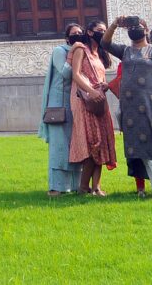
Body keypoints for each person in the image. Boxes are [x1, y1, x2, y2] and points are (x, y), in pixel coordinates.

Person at [101, 17, 152, 198]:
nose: (135, 29)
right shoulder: (126, 51)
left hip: (150, 106)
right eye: (132, 27)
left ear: (145, 30)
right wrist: (115, 24)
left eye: (138, 27)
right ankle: (150, 189)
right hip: (130, 110)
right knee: (138, 150)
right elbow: (105, 43)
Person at [66, 20, 116, 196]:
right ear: (89, 32)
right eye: (99, 30)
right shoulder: (81, 50)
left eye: (105, 30)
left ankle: (96, 187)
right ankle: (83, 187)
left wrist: (103, 86)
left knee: (102, 141)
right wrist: (91, 91)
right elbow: (76, 74)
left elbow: (98, 76)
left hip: (99, 100)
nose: (102, 33)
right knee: (92, 141)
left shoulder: (99, 54)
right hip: (85, 101)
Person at [38, 26, 82, 196]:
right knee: (59, 147)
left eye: (80, 34)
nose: (78, 36)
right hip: (58, 105)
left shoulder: (81, 51)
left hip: (74, 104)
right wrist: (75, 55)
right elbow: (66, 73)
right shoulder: (60, 51)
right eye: (74, 34)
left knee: (74, 146)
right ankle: (56, 187)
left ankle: (75, 186)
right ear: (66, 38)